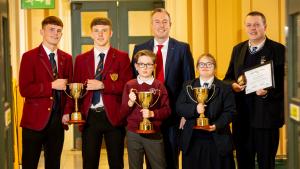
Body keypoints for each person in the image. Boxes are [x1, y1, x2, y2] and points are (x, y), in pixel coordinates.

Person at [63, 17, 132, 169]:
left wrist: (103, 85)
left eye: (104, 31)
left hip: (114, 117)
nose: (100, 35)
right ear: (91, 34)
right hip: (89, 117)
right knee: (89, 162)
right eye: (96, 31)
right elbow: (74, 88)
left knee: (116, 163)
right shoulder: (81, 59)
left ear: (111, 33)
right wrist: (68, 111)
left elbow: (127, 87)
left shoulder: (121, 57)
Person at [132, 8, 195, 169]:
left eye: (165, 21)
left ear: (170, 25)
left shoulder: (182, 49)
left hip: (173, 115)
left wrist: (185, 114)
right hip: (147, 116)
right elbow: (134, 82)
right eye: (157, 22)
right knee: (151, 160)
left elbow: (189, 83)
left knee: (171, 157)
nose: (161, 25)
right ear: (151, 26)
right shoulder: (139, 48)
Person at [224, 11, 285, 169]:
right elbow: (228, 77)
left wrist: (267, 92)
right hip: (242, 119)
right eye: (249, 25)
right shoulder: (238, 49)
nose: (252, 28)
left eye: (257, 25)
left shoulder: (279, 50)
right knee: (244, 162)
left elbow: (286, 83)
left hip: (266, 119)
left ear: (265, 27)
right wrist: (233, 86)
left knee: (266, 163)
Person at [19, 16, 73, 169]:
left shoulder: (67, 58)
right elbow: (25, 89)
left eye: (59, 31)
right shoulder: (29, 57)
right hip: (33, 121)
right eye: (51, 30)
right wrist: (51, 85)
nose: (55, 34)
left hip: (57, 121)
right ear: (42, 31)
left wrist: (67, 112)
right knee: (30, 163)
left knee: (54, 164)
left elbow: (69, 89)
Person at [176, 53, 235, 169]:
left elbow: (230, 111)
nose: (205, 66)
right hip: (193, 139)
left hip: (217, 138)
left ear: (215, 67)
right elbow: (179, 107)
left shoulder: (225, 87)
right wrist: (195, 109)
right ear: (197, 67)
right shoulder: (188, 86)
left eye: (209, 64)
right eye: (202, 64)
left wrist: (217, 125)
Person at [120, 50, 171, 169]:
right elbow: (122, 112)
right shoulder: (130, 85)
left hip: (154, 133)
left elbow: (167, 110)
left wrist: (153, 113)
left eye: (149, 64)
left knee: (159, 165)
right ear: (136, 66)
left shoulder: (159, 86)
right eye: (141, 64)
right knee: (135, 166)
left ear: (154, 67)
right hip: (133, 133)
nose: (145, 67)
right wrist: (130, 102)